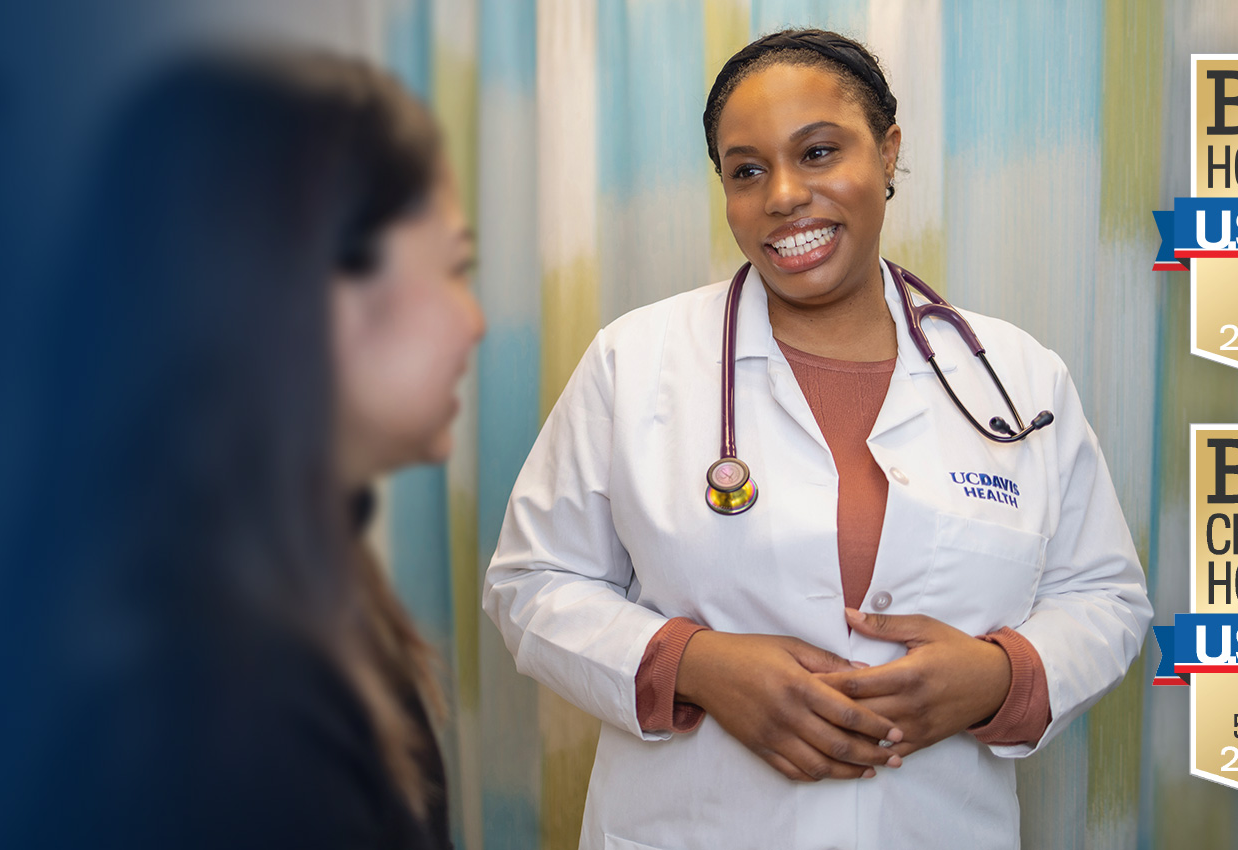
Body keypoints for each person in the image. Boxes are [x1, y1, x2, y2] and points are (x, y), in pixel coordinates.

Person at [483, 29, 1150, 849]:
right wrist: (696, 666)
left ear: (890, 152)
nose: (785, 195)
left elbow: (1104, 597)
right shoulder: (638, 361)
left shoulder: (1016, 377)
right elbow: (532, 581)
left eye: (821, 151)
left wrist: (998, 678)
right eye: (747, 171)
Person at [0, 47, 479, 849]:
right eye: (454, 267)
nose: (473, 320)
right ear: (313, 290)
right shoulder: (222, 712)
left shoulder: (258, 598)